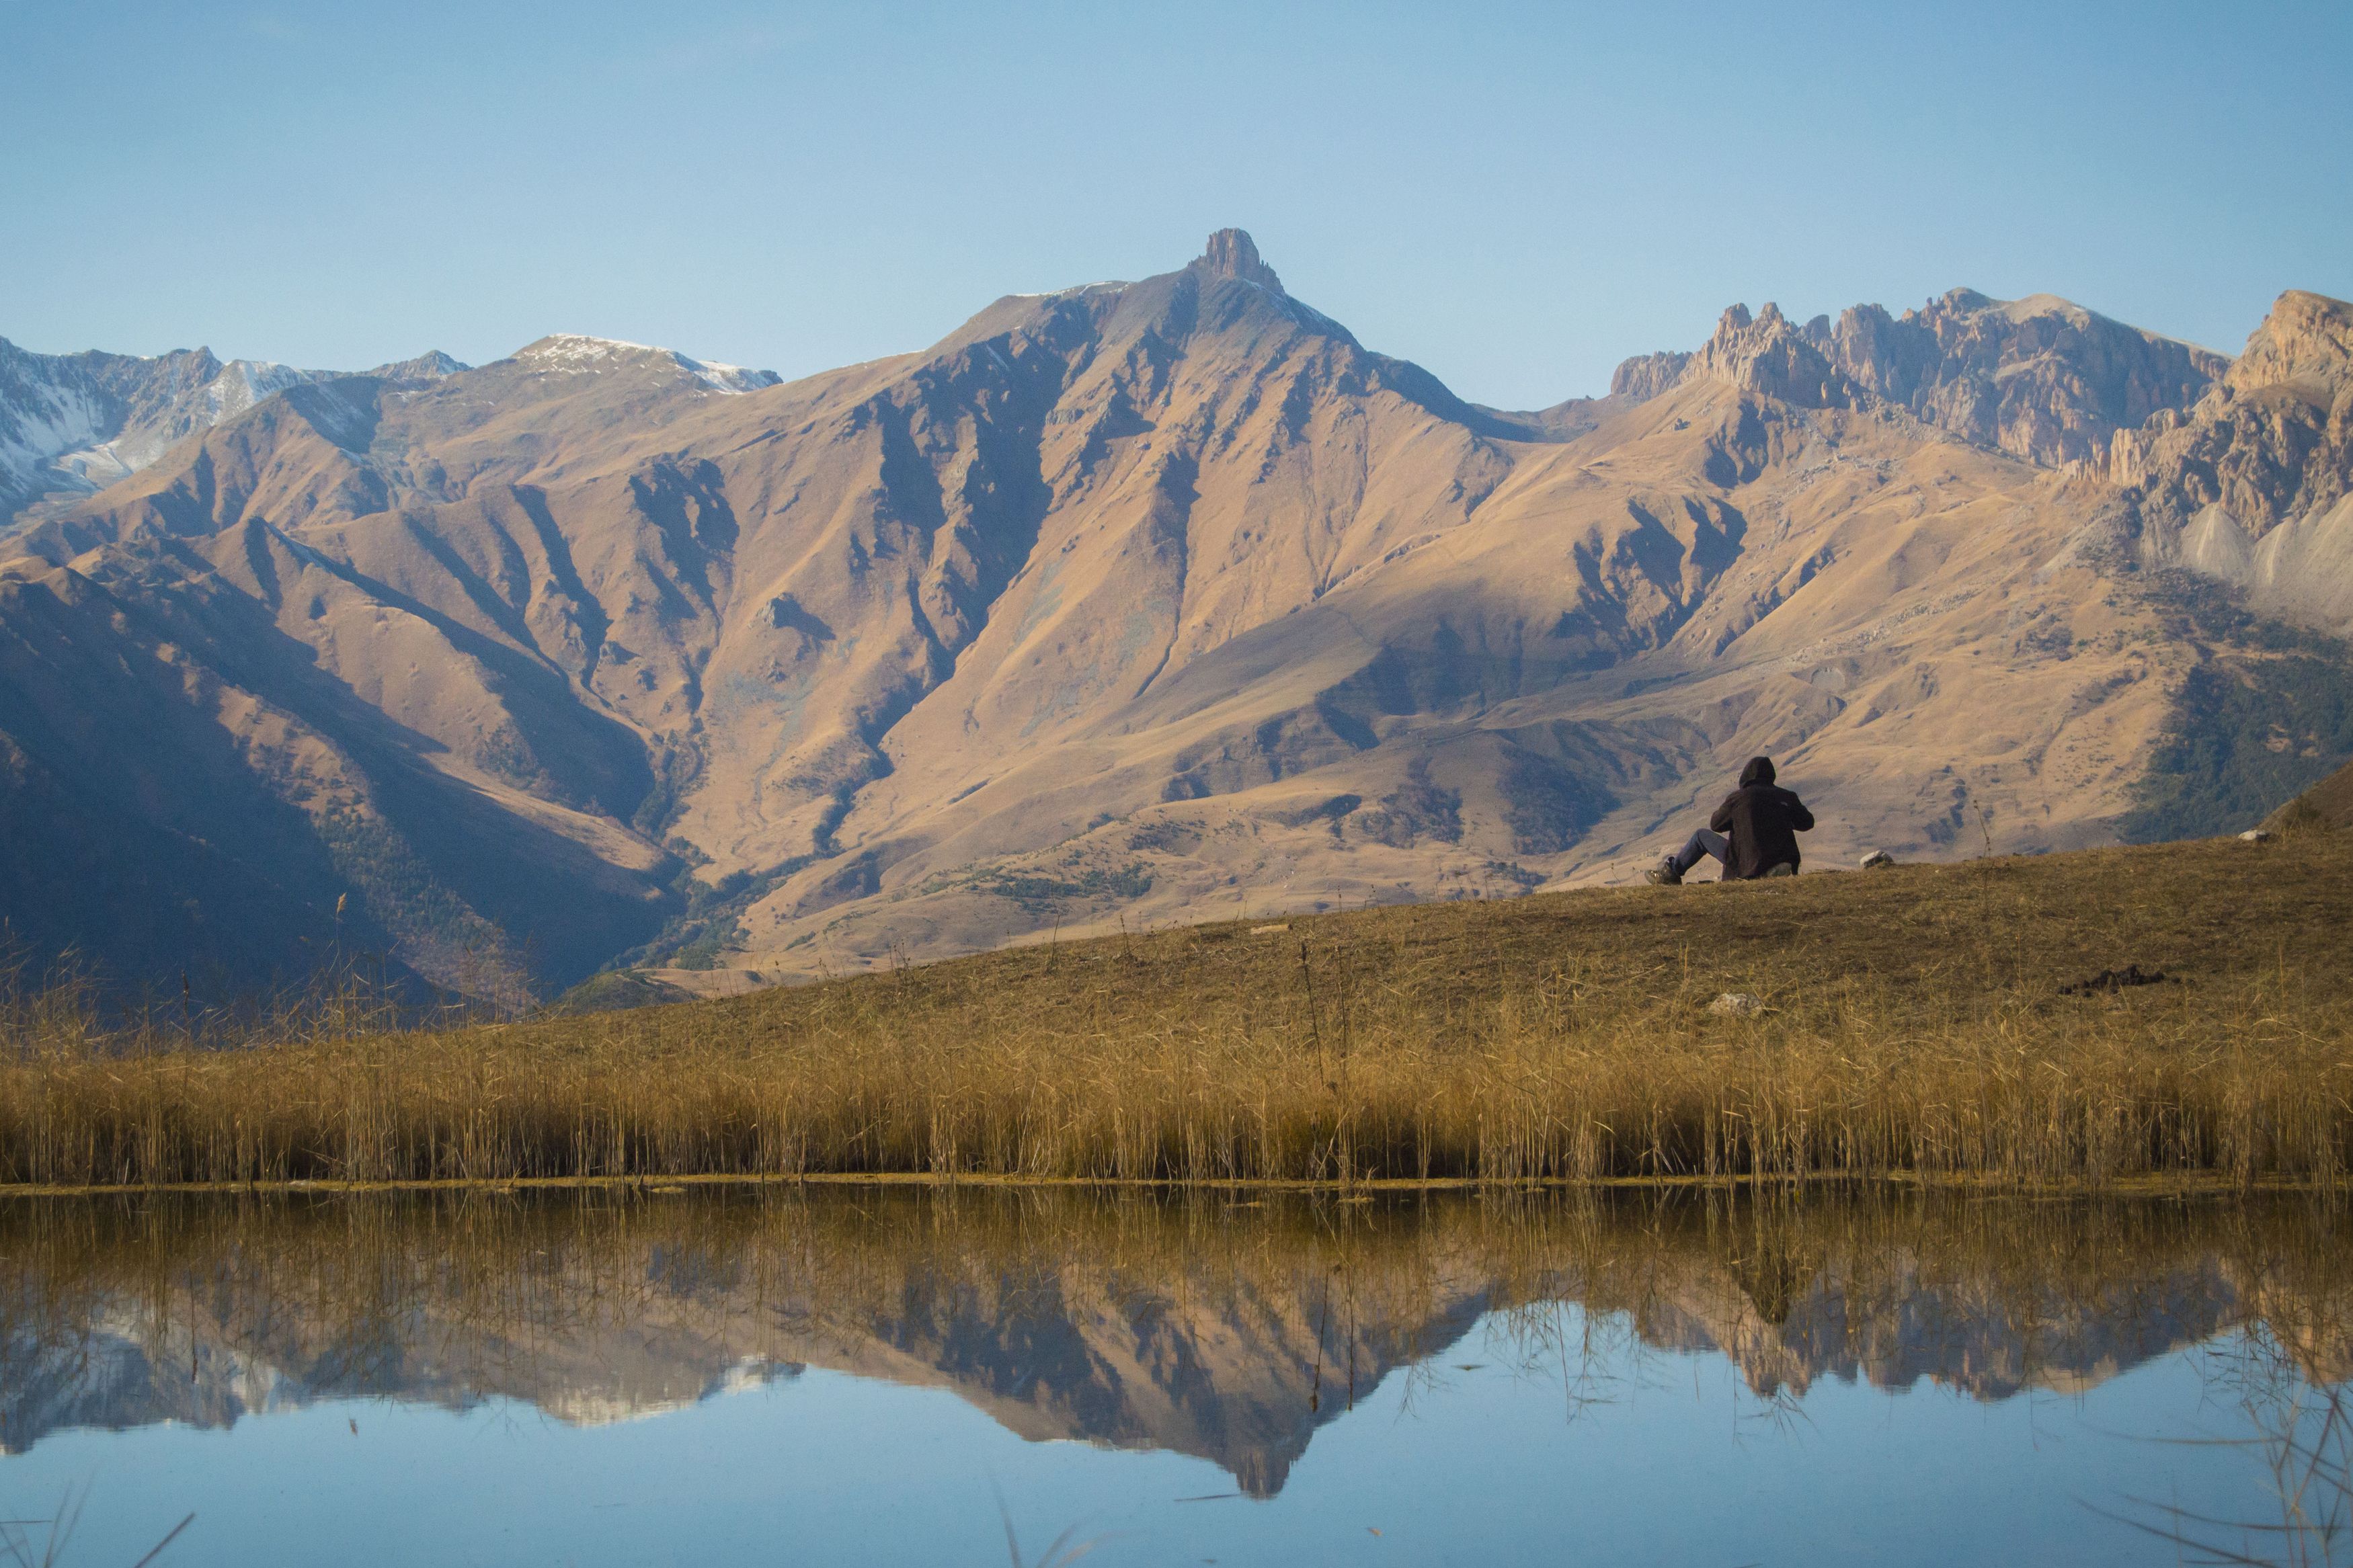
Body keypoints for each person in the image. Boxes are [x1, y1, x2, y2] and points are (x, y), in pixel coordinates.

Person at [1646, 756, 1814, 884]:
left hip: (1746, 860)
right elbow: (1807, 823)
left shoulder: (1739, 798)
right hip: (1783, 856)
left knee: (1700, 836)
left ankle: (1671, 873)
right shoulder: (1787, 796)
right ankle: (1772, 868)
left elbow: (1716, 825)